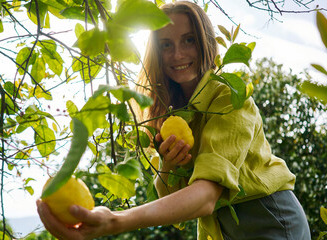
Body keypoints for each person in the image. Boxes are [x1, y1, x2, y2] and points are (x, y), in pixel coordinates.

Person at [36, 1, 311, 239]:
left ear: (204, 42)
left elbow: (205, 197)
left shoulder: (228, 96)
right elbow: (173, 207)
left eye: (188, 40)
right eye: (166, 45)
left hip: (271, 221)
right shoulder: (169, 112)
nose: (178, 54)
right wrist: (168, 164)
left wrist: (116, 220)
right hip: (226, 230)